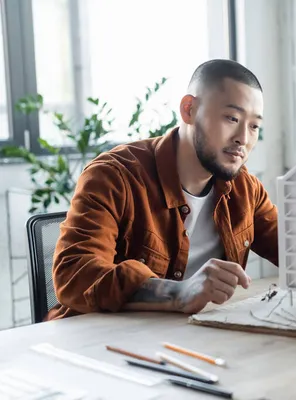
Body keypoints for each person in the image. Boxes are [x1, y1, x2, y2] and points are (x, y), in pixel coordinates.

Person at [47, 59, 278, 321]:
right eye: (231, 118)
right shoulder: (113, 176)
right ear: (189, 110)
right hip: (95, 342)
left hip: (182, 339)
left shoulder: (244, 189)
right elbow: (75, 274)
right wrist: (178, 293)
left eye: (254, 126)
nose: (243, 139)